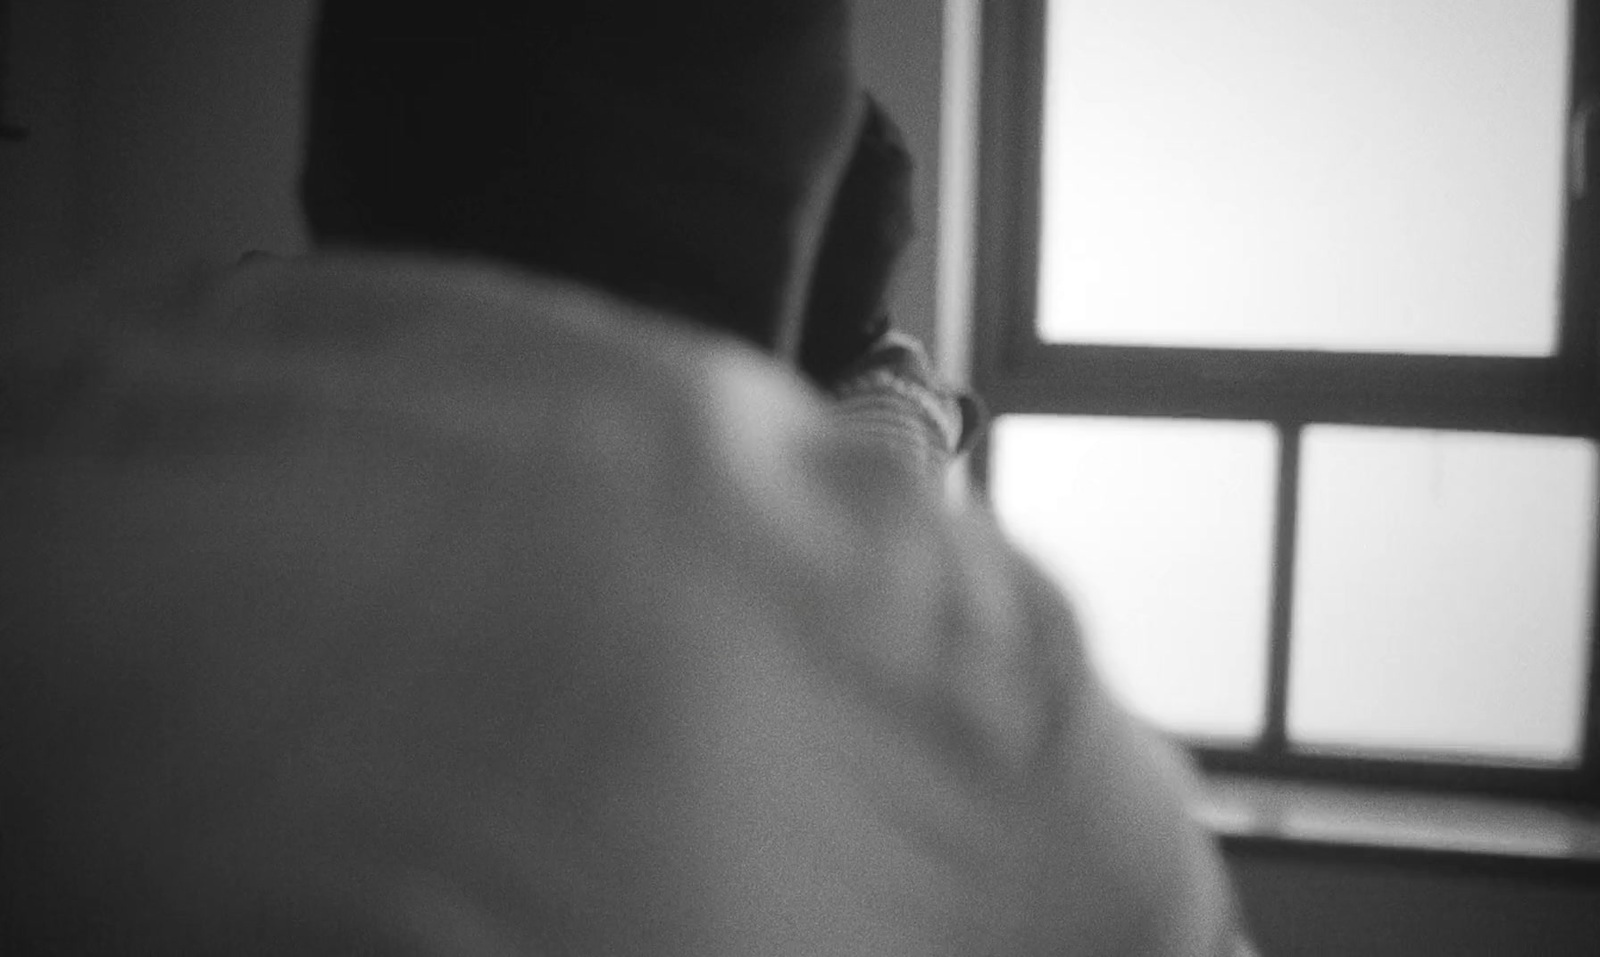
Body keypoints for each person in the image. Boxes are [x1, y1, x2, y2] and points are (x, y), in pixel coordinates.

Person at [0, 1, 1257, 953]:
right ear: (796, 200)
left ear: (326, 142)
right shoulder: (958, 667)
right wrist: (892, 419)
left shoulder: (69, 416)